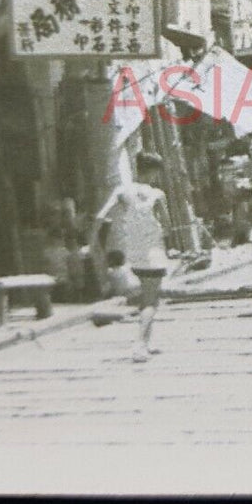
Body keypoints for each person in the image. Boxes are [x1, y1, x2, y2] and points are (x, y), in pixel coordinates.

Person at [94, 152, 172, 362]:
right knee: (151, 301)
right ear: (153, 171)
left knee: (147, 296)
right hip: (153, 253)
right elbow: (167, 226)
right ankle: (139, 345)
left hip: (133, 252)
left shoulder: (121, 191)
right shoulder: (157, 194)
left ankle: (147, 342)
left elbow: (101, 216)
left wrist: (96, 243)